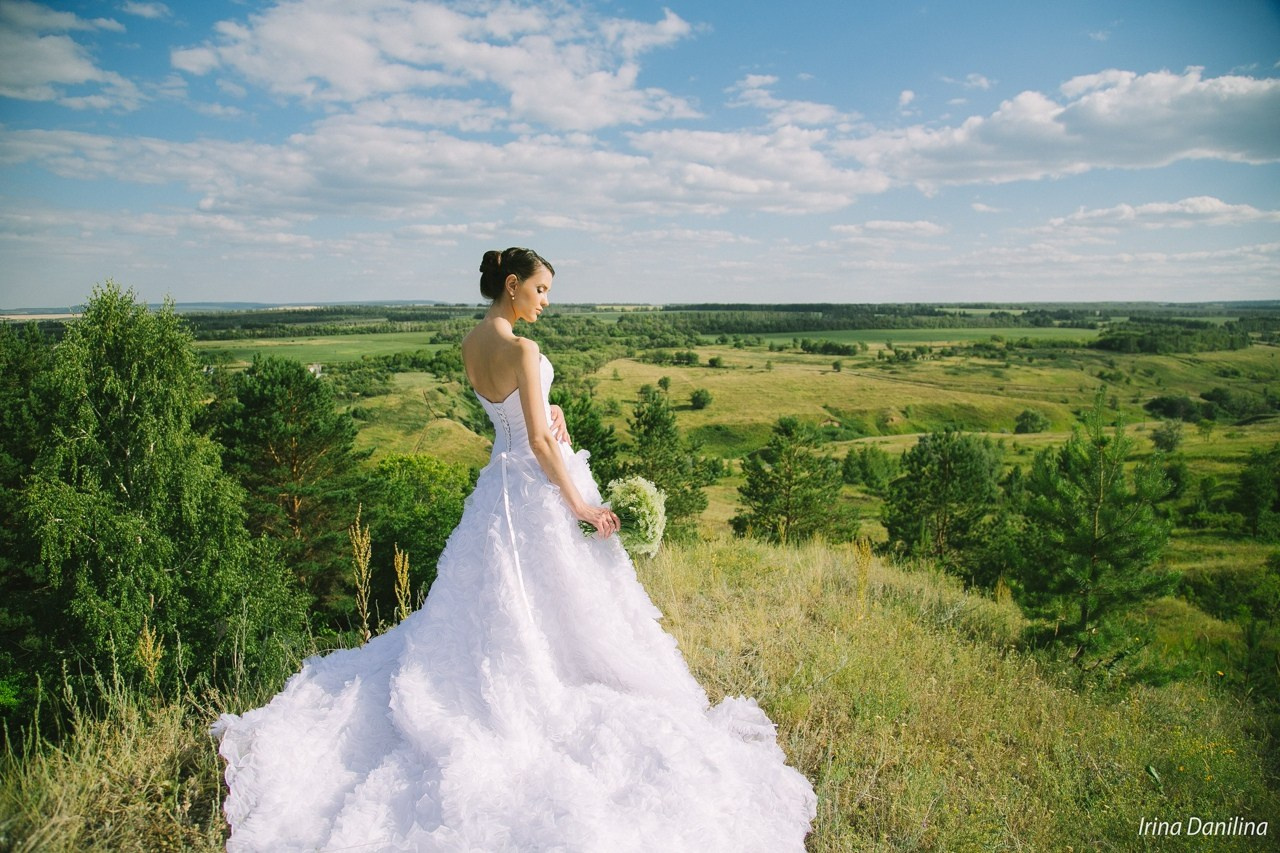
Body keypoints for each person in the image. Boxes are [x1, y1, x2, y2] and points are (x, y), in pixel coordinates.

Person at [213, 247, 817, 852]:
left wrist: (546, 404)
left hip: (495, 487)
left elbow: (509, 416)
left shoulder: (474, 342)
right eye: (542, 289)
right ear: (513, 284)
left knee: (497, 598)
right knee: (563, 600)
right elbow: (534, 439)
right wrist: (579, 503)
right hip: (531, 485)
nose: (546, 301)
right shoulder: (524, 349)